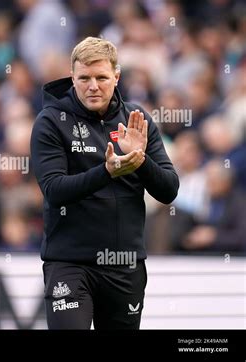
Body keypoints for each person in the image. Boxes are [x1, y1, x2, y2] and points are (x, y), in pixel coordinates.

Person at [30, 37, 179, 329]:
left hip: (125, 265)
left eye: (101, 77)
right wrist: (107, 171)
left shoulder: (137, 119)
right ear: (72, 78)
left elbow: (169, 189)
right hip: (70, 264)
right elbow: (54, 190)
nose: (93, 86)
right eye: (84, 78)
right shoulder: (51, 121)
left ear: (117, 76)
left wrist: (139, 160)